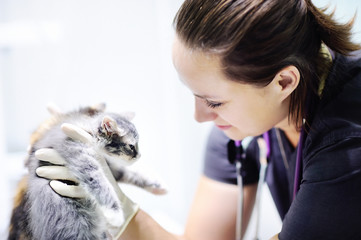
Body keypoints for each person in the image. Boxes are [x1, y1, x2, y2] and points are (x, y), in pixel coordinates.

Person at [35, 0, 361, 239]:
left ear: (284, 83)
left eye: (214, 101)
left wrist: (123, 214)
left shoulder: (346, 144)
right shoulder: (245, 121)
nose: (200, 116)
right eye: (194, 94)